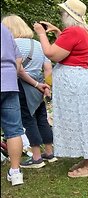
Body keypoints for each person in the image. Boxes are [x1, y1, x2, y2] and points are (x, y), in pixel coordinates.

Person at [33, 0, 88, 178]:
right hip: (80, 79)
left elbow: (52, 53)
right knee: (83, 120)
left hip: (73, 82)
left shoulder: (73, 31)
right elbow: (69, 49)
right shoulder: (83, 31)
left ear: (68, 15)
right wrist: (57, 32)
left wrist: (41, 34)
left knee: (80, 120)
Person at [2, 15, 56, 169]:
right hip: (40, 87)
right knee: (42, 118)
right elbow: (47, 68)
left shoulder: (13, 44)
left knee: (28, 119)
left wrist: (35, 83)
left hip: (24, 86)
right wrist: (46, 86)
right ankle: (49, 152)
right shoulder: (39, 44)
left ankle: (37, 157)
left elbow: (19, 70)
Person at [1, 24, 25, 185]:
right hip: (9, 83)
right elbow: (18, 58)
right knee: (14, 130)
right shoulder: (4, 30)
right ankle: (16, 172)